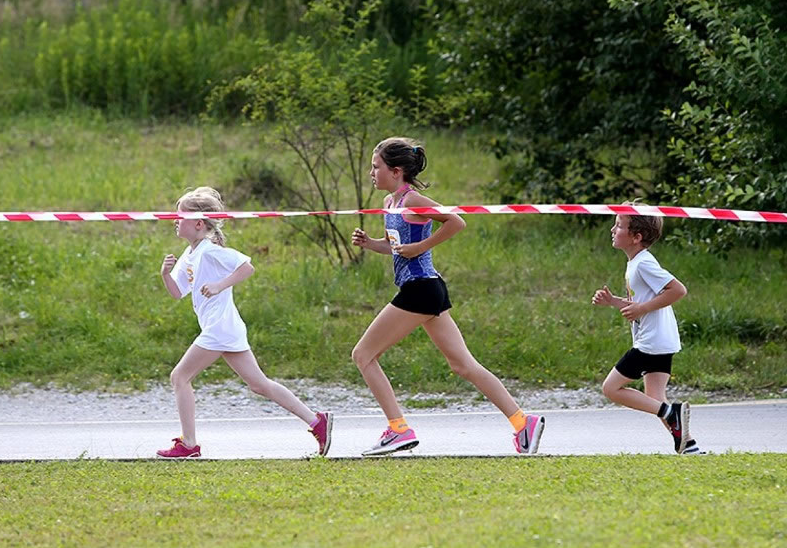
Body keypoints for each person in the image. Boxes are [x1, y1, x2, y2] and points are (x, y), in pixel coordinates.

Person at [350, 137, 544, 456]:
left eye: (376, 167)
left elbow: (456, 222)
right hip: (427, 289)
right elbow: (395, 246)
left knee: (363, 354)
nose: (371, 173)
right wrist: (370, 243)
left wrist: (421, 246)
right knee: (463, 364)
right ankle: (524, 422)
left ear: (396, 171)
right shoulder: (389, 203)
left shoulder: (413, 200)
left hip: (420, 289)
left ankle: (398, 429)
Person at [156, 186, 332, 458]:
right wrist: (165, 274)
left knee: (179, 377)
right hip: (226, 327)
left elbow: (247, 267)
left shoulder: (210, 251)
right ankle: (317, 421)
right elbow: (178, 292)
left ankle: (189, 445)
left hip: (219, 328)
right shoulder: (190, 254)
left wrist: (219, 285)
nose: (175, 221)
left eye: (181, 216)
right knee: (259, 385)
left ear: (199, 223)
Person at [591, 209, 702, 454]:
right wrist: (614, 302)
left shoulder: (644, 263)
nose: (613, 230)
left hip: (651, 342)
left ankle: (671, 413)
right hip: (661, 339)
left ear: (636, 237)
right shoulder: (636, 263)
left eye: (619, 225)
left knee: (611, 389)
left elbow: (678, 290)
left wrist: (641, 308)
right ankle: (689, 445)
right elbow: (641, 303)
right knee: (655, 397)